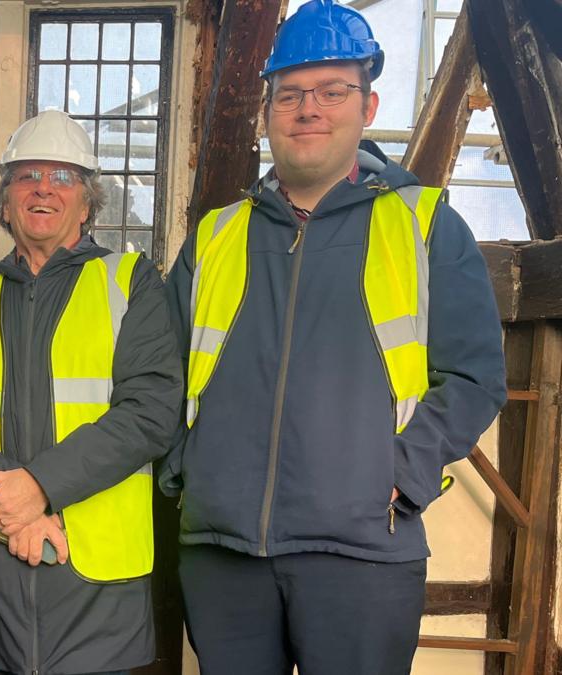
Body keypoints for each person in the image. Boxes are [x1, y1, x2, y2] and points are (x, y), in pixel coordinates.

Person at [162, 2, 507, 673]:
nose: (308, 109)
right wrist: (188, 469)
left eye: (331, 91)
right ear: (267, 111)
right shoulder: (216, 237)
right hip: (223, 555)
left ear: (368, 104)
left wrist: (401, 474)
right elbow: (163, 372)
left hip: (363, 557)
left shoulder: (425, 226)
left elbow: (475, 376)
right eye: (289, 93)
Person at [0, 109, 184, 674]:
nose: (43, 189)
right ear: (6, 201)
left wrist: (40, 487)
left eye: (63, 177)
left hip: (95, 575)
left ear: (87, 204)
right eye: (27, 176)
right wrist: (15, 506)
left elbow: (151, 410)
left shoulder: (131, 281)